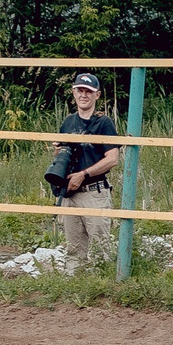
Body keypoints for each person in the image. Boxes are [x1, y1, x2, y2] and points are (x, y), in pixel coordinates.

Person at [50, 71, 122, 269]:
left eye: (88, 91)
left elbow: (113, 159)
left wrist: (83, 175)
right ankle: (74, 283)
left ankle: (103, 284)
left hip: (94, 193)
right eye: (80, 90)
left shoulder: (104, 123)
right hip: (69, 193)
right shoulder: (68, 122)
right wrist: (58, 151)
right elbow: (61, 156)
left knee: (100, 249)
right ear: (74, 93)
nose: (83, 95)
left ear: (97, 95)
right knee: (73, 250)